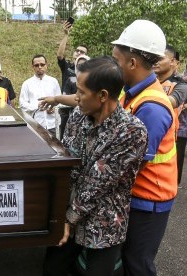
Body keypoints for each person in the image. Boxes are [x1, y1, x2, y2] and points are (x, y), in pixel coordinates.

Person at [42, 57, 148, 276]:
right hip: (67, 216)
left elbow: (96, 185)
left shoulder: (131, 132)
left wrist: (69, 219)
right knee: (52, 269)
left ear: (102, 96)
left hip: (103, 224)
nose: (76, 97)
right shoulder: (78, 117)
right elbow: (67, 164)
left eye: (81, 92)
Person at [112, 19, 177, 276]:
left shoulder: (151, 106)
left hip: (149, 200)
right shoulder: (131, 93)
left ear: (132, 63)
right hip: (137, 196)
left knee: (138, 264)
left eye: (116, 61)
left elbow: (133, 163)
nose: (114, 65)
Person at [153, 45, 187, 184]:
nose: (155, 61)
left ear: (174, 62)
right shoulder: (147, 80)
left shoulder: (180, 85)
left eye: (160, 58)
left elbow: (170, 102)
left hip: (168, 141)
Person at [57, 21, 89, 139]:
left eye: (82, 52)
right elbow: (60, 56)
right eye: (77, 51)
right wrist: (66, 35)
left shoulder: (90, 73)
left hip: (83, 112)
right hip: (66, 112)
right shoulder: (68, 68)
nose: (79, 53)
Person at [19, 54, 61, 137]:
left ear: (46, 65)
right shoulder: (27, 84)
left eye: (42, 64)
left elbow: (59, 100)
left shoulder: (53, 81)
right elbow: (22, 104)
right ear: (33, 67)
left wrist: (53, 108)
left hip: (53, 124)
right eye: (36, 65)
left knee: (55, 148)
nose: (40, 67)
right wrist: (37, 106)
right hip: (35, 125)